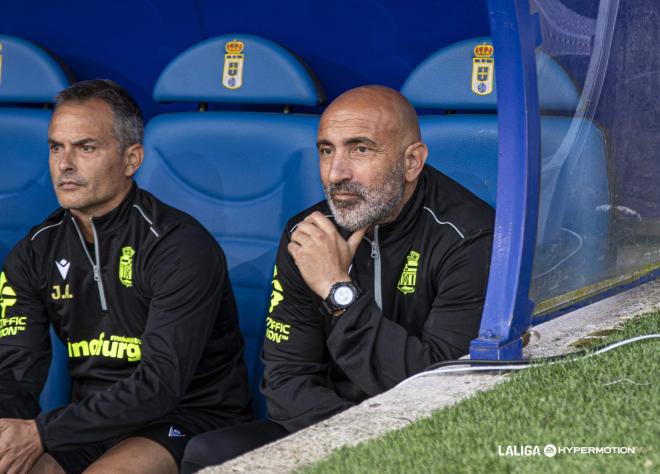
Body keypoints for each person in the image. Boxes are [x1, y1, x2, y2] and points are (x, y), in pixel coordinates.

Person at [180, 85, 494, 471]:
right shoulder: (310, 234)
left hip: (427, 439)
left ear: (412, 161)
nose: (335, 173)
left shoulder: (470, 236)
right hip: (330, 426)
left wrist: (336, 289)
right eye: (326, 150)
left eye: (360, 149)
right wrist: (350, 441)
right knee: (208, 453)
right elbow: (286, 379)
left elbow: (437, 388)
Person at [0, 79, 253, 474]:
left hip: (185, 417)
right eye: (55, 147)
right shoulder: (33, 252)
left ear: (131, 159)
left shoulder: (179, 246)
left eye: (86, 148)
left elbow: (160, 384)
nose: (65, 164)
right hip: (88, 421)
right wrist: (10, 433)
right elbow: (14, 370)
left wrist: (42, 434)